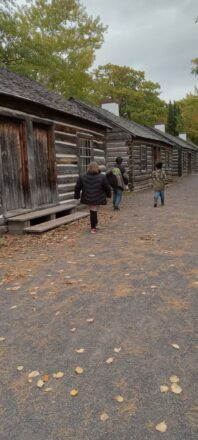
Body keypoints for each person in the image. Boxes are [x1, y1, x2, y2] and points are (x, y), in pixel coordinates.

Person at [74, 162, 111, 234]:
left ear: (88, 167)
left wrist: (77, 197)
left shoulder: (82, 176)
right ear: (97, 168)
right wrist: (108, 195)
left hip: (87, 197)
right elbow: (107, 187)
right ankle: (93, 228)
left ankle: (95, 224)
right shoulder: (102, 177)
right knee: (93, 211)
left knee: (94, 210)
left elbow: (77, 187)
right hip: (98, 197)